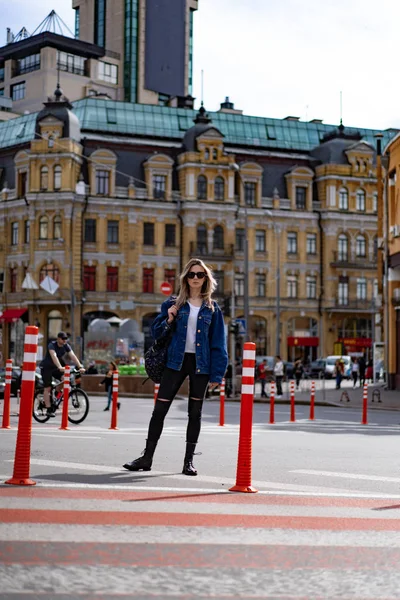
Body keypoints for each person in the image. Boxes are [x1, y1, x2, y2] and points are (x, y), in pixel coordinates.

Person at [123, 258, 228, 476]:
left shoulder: (213, 309)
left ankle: (188, 462)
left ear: (206, 279)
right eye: (192, 274)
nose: (196, 278)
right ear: (185, 278)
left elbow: (218, 343)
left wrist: (218, 374)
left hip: (202, 365)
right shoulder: (173, 303)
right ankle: (146, 457)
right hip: (174, 362)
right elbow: (157, 333)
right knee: (159, 410)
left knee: (195, 413)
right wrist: (169, 318)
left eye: (200, 275)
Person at [39, 332, 85, 417]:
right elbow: (54, 356)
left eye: (66, 339)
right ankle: (49, 409)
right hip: (46, 367)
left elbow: (73, 356)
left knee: (65, 379)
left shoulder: (66, 346)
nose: (65, 340)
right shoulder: (52, 345)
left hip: (55, 368)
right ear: (58, 339)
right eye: (63, 339)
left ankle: (56, 393)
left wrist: (80, 366)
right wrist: (60, 367)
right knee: (48, 387)